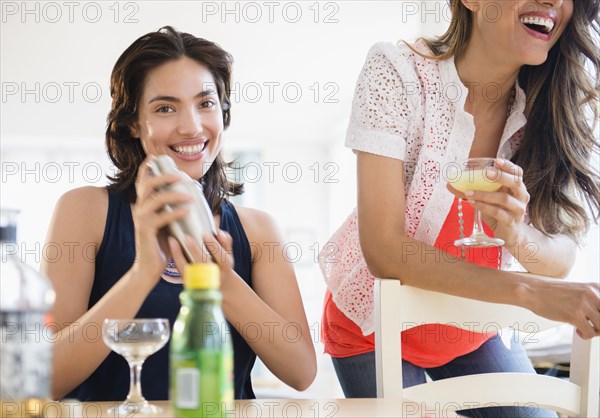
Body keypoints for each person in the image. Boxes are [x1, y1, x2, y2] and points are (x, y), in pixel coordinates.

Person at [320, 0, 599, 416]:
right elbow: (384, 250)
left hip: (472, 328)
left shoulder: (550, 107)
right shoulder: (397, 72)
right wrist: (529, 292)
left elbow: (560, 257)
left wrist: (517, 235)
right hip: (372, 328)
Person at [42, 26, 316, 401]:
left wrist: (222, 283)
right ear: (134, 123)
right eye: (165, 108)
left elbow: (301, 373)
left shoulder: (258, 229)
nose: (191, 126)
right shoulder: (84, 211)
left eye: (205, 103)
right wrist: (141, 275)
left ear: (223, 112)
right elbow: (48, 379)